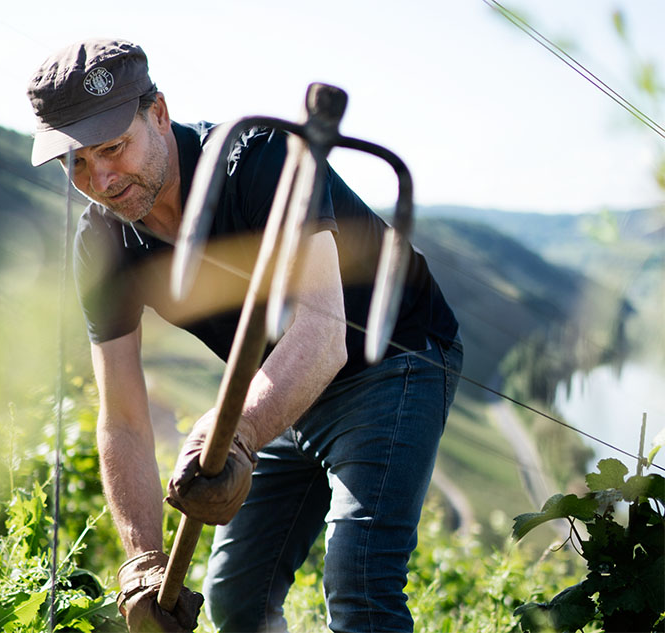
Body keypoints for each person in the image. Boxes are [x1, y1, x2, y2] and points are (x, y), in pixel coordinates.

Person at [26, 38, 462, 633]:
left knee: (359, 583)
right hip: (284, 384)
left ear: (158, 113)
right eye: (74, 162)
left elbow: (324, 329)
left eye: (112, 147)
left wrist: (242, 434)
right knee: (237, 600)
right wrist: (143, 563)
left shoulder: (260, 161)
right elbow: (123, 418)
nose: (100, 179)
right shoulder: (101, 242)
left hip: (391, 362)